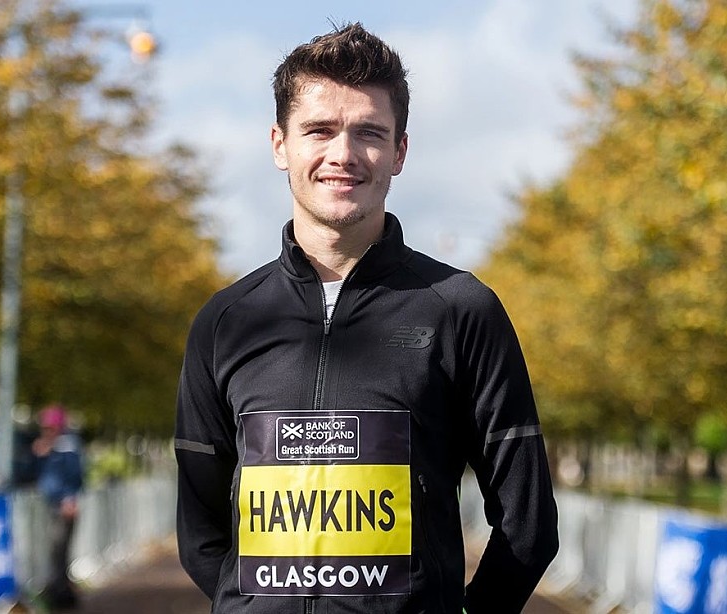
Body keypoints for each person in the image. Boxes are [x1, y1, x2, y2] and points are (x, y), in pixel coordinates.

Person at [173, 22, 558, 613]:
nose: (343, 155)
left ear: (399, 151)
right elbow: (201, 532)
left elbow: (527, 524)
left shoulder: (462, 310)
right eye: (319, 130)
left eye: (369, 133)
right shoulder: (225, 322)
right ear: (279, 145)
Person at [32, 404, 84, 610]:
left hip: (63, 507)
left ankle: (60, 595)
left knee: (58, 552)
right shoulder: (53, 447)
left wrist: (69, 499)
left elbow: (75, 475)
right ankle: (61, 593)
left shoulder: (66, 446)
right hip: (55, 505)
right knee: (57, 552)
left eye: (50, 427)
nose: (47, 431)